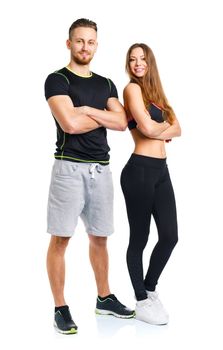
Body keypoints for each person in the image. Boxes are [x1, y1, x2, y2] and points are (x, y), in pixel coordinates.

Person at [44, 18, 134, 335]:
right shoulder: (57, 80)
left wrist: (86, 111)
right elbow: (69, 124)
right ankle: (60, 307)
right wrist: (101, 116)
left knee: (100, 237)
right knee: (61, 238)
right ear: (69, 43)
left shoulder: (107, 84)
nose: (85, 47)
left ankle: (104, 297)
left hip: (102, 169)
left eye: (91, 41)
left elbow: (122, 123)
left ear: (97, 44)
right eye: (80, 41)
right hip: (68, 168)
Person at [120, 43, 181, 325]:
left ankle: (150, 288)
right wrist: (162, 129)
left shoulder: (156, 94)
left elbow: (179, 128)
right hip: (139, 171)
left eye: (142, 59)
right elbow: (145, 128)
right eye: (132, 59)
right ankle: (141, 301)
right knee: (140, 239)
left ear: (150, 62)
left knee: (170, 236)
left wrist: (161, 129)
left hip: (161, 171)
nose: (137, 63)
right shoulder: (132, 89)